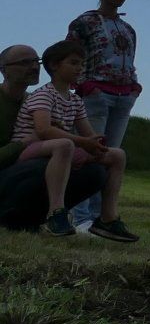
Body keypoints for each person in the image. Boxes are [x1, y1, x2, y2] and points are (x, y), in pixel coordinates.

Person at [9, 39, 138, 241]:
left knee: (117, 155)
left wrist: (94, 144)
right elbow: (43, 130)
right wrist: (81, 141)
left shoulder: (75, 100)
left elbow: (87, 133)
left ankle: (107, 218)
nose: (80, 68)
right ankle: (56, 214)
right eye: (74, 63)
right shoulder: (43, 95)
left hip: (59, 149)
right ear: (55, 65)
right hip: (29, 150)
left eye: (82, 64)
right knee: (64, 144)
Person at [0, 43, 106, 231]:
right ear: (4, 70)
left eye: (36, 61)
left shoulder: (35, 101)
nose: (34, 67)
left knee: (94, 172)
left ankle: (35, 219)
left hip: (23, 169)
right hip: (9, 172)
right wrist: (27, 141)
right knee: (41, 165)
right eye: (25, 62)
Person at [66, 0, 139, 230]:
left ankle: (100, 216)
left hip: (123, 96)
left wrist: (134, 87)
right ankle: (79, 216)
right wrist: (84, 85)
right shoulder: (84, 22)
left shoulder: (128, 29)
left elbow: (130, 59)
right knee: (89, 153)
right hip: (96, 94)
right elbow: (70, 55)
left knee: (110, 156)